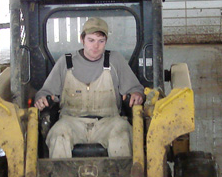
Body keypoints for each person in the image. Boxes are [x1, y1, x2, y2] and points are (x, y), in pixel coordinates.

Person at [34, 17, 145, 158]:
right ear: (82, 39)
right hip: (71, 122)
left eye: (101, 41)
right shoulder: (65, 62)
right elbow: (45, 92)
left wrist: (136, 94)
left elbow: (135, 89)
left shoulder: (115, 60)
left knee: (122, 133)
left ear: (106, 42)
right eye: (91, 40)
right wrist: (41, 98)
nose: (96, 46)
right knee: (58, 135)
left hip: (109, 121)